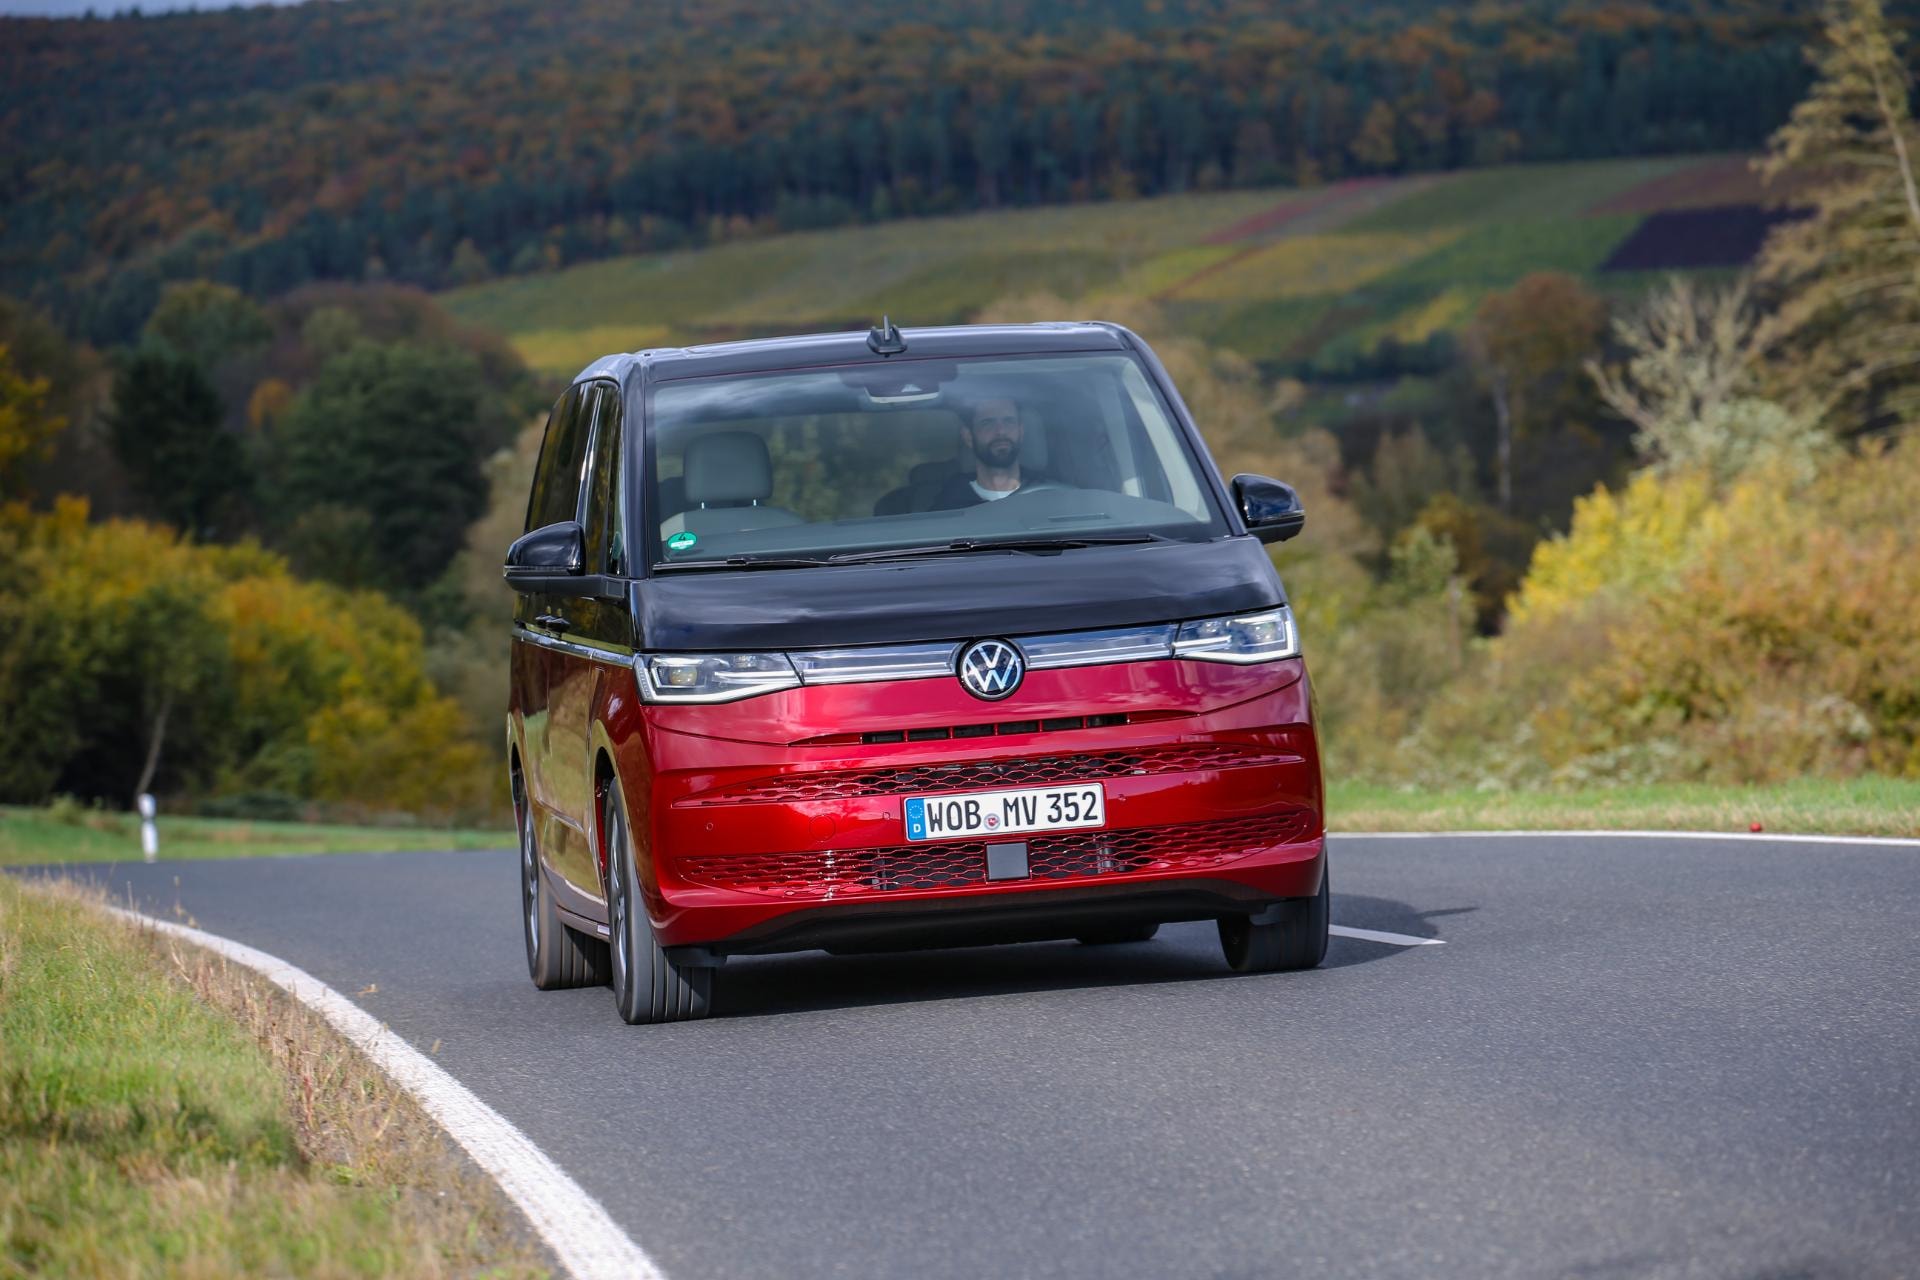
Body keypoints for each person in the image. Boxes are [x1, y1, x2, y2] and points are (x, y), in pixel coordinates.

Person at [928, 395, 1053, 509]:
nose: (1001, 431)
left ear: (1021, 432)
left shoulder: (1051, 497)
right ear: (968, 436)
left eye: (1009, 421)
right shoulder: (949, 505)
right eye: (987, 423)